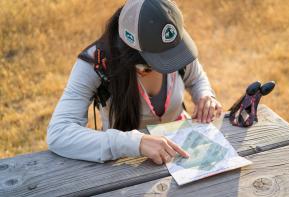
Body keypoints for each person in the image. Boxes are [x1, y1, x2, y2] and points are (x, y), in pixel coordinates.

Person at [47, 0, 222, 165]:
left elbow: (197, 78)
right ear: (128, 55)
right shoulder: (96, 62)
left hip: (184, 147)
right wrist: (136, 143)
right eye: (157, 64)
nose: (171, 65)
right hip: (126, 165)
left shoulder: (170, 42)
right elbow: (59, 133)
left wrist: (205, 96)